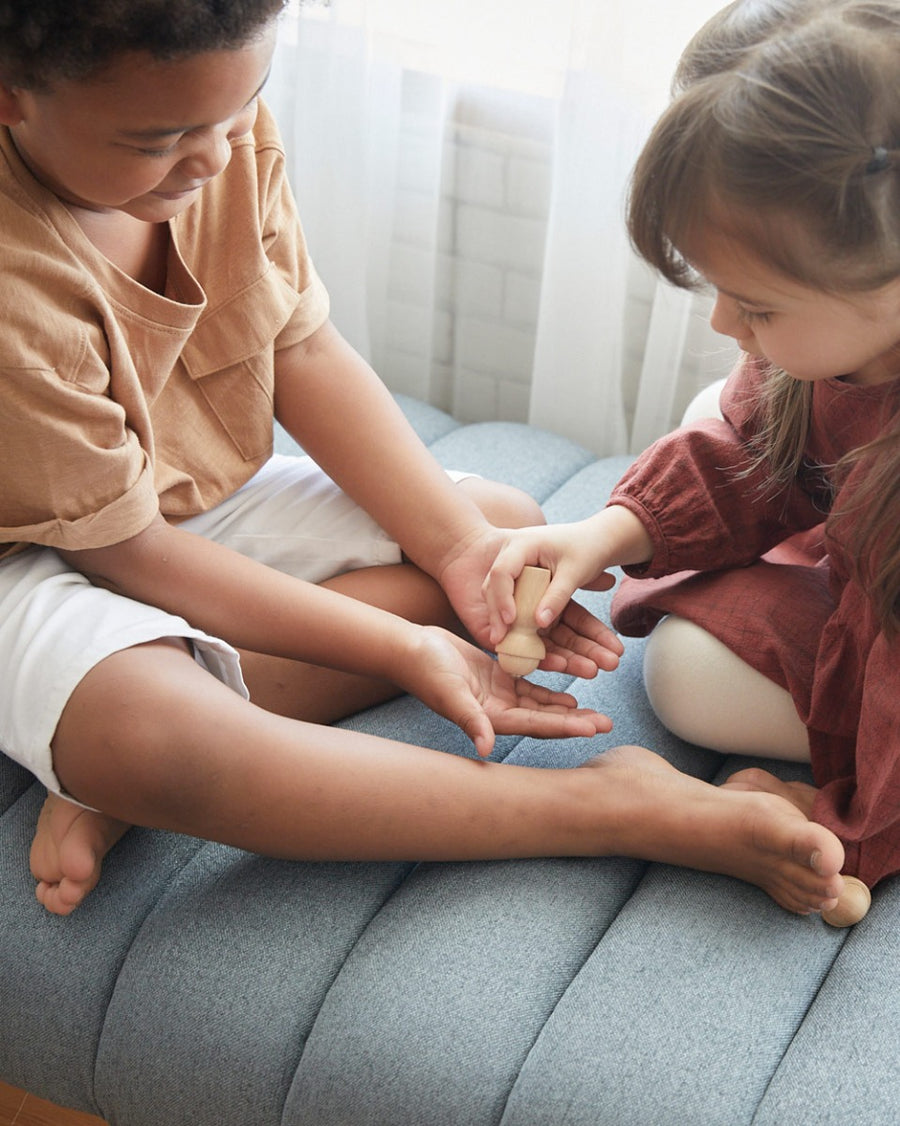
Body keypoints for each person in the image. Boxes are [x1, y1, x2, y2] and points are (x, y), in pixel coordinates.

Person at [1, 0, 845, 921]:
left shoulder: (214, 136)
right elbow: (125, 554)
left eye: (237, 112)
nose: (211, 159)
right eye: (161, 138)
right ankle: (603, 806)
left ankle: (126, 753)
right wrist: (404, 651)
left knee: (506, 542)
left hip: (160, 502)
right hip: (46, 551)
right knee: (150, 736)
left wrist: (455, 551)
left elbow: (302, 350)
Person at [486, 0, 900, 904]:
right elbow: (748, 444)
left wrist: (842, 834)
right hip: (870, 549)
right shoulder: (848, 344)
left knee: (682, 675)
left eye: (755, 304)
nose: (721, 321)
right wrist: (605, 533)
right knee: (722, 406)